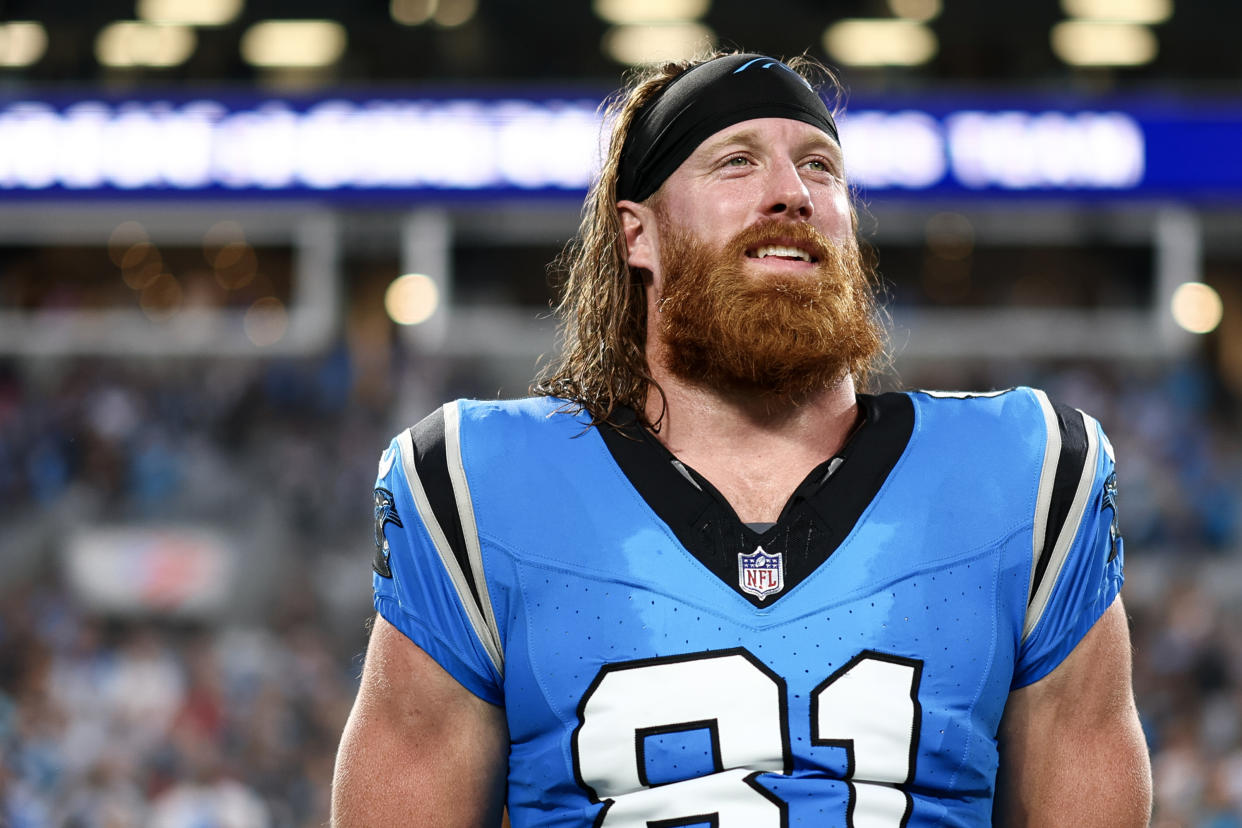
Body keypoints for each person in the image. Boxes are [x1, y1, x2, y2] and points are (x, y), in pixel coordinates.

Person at [331, 51, 1152, 827]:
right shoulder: (480, 483)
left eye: (820, 166)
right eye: (736, 161)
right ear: (635, 234)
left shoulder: (1028, 470)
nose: (792, 192)